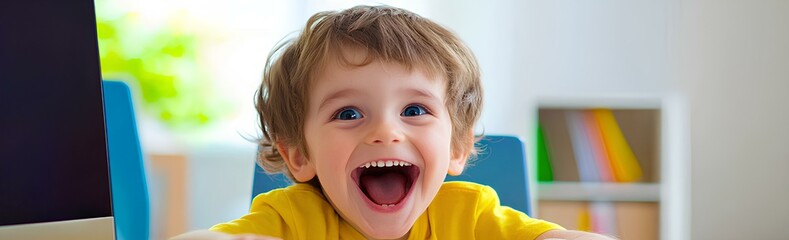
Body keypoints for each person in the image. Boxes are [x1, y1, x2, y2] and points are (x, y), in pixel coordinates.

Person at [174, 5, 614, 240]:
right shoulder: (291, 220)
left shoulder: (472, 217)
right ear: (299, 154)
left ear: (457, 146)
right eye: (348, 114)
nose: (386, 131)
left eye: (414, 110)